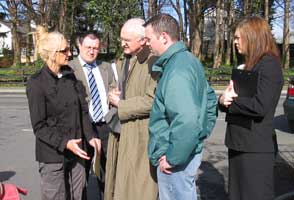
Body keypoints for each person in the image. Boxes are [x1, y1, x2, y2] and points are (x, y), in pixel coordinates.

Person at [144, 13, 218, 200]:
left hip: (176, 160)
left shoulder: (176, 70)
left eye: (149, 38)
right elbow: (209, 100)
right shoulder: (189, 61)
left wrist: (173, 157)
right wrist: (202, 132)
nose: (147, 43)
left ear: (163, 37)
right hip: (185, 153)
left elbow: (186, 120)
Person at [26, 26, 101, 200]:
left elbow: (82, 111)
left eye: (69, 49)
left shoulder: (70, 76)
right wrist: (65, 143)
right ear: (52, 53)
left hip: (77, 152)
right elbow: (39, 127)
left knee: (79, 195)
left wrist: (90, 136)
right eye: (65, 50)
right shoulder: (36, 83)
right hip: (53, 156)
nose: (70, 53)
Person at [218, 16, 284, 200]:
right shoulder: (250, 65)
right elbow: (234, 98)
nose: (235, 42)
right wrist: (222, 100)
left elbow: (260, 105)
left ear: (252, 37)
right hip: (239, 144)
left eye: (239, 38)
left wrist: (231, 101)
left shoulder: (269, 65)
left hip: (255, 149)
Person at [104, 18, 158, 200]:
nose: (122, 43)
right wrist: (115, 94)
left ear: (143, 40)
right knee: (119, 185)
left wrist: (122, 104)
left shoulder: (154, 62)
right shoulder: (128, 59)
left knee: (137, 189)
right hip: (122, 131)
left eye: (126, 40)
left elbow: (153, 100)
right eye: (121, 39)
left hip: (141, 136)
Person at [69, 31, 116, 197]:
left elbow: (113, 89)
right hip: (83, 128)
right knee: (81, 174)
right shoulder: (70, 69)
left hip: (105, 126)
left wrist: (114, 94)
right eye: (88, 47)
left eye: (95, 48)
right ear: (79, 46)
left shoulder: (106, 67)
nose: (92, 51)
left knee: (107, 172)